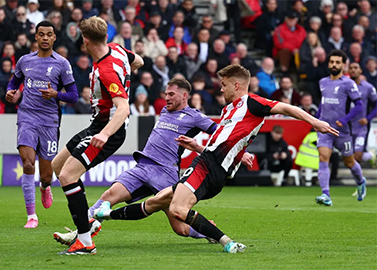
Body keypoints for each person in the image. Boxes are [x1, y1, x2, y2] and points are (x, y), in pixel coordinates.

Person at [92, 64, 338, 253]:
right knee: (159, 202)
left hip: (209, 168)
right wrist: (197, 146)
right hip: (211, 165)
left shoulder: (252, 102)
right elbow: (222, 143)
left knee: (177, 209)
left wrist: (315, 122)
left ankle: (227, 242)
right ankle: (104, 215)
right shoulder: (228, 111)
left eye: (223, 84)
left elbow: (286, 108)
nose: (220, 89)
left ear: (237, 86)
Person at [53, 77, 217, 246]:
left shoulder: (195, 117)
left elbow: (220, 134)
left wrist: (198, 147)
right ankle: (80, 234)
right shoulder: (165, 110)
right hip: (143, 166)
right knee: (108, 196)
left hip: (165, 173)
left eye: (171, 94)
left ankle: (207, 230)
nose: (167, 97)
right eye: (166, 93)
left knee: (180, 228)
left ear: (184, 96)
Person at [49, 16, 143, 255]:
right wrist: (127, 73)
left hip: (108, 129)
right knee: (58, 165)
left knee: (69, 175)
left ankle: (84, 240)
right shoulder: (118, 50)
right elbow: (139, 60)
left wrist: (104, 134)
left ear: (85, 40)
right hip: (96, 125)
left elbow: (123, 109)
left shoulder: (107, 69)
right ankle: (87, 223)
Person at [4, 21, 79, 229]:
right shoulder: (24, 61)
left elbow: (73, 95)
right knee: (28, 163)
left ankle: (45, 187)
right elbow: (14, 82)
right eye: (41, 34)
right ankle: (31, 216)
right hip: (27, 116)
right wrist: (10, 91)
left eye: (49, 34)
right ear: (35, 37)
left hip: (49, 121)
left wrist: (56, 94)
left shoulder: (62, 64)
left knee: (47, 175)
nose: (45, 38)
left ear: (54, 38)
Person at [315, 50, 367, 207]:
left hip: (342, 132)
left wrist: (344, 120)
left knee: (349, 162)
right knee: (323, 158)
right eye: (332, 62)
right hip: (325, 128)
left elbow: (359, 106)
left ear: (344, 65)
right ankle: (326, 195)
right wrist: (316, 120)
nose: (334, 65)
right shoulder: (323, 82)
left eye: (338, 62)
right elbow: (323, 104)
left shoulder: (348, 84)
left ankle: (360, 181)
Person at [348, 62, 377, 167]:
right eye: (351, 68)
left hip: (360, 127)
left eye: (356, 68)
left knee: (357, 156)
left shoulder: (368, 87)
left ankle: (358, 180)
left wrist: (368, 118)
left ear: (360, 71)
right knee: (347, 156)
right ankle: (369, 156)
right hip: (346, 127)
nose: (353, 70)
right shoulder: (342, 86)